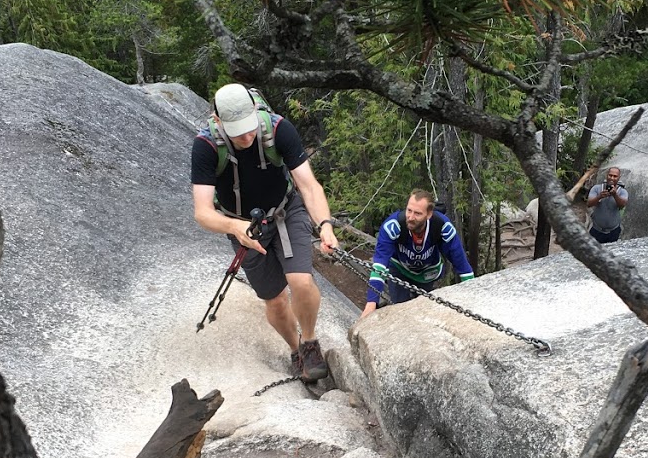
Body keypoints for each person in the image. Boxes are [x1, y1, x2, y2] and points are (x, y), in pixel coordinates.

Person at [192, 83, 339, 380]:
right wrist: (234, 226)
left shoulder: (277, 129)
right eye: (238, 132)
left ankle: (310, 342)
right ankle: (296, 349)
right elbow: (203, 213)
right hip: (242, 224)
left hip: (285, 210)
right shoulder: (206, 146)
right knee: (273, 299)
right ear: (218, 121)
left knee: (300, 280)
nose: (247, 137)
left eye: (250, 128)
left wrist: (325, 225)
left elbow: (308, 185)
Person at [360, 189, 475, 319]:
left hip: (427, 272)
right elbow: (380, 264)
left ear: (429, 214)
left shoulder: (442, 226)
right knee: (400, 310)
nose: (411, 217)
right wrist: (371, 304)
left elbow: (461, 262)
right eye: (409, 210)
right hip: (399, 269)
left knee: (425, 312)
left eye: (418, 214)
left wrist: (472, 295)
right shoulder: (392, 226)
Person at [587, 166, 628, 244]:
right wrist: (599, 196)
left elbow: (622, 205)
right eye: (610, 175)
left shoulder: (623, 192)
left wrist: (615, 195)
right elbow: (589, 204)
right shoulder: (596, 188)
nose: (612, 178)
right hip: (596, 230)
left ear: (619, 178)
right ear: (607, 175)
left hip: (613, 232)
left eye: (615, 176)